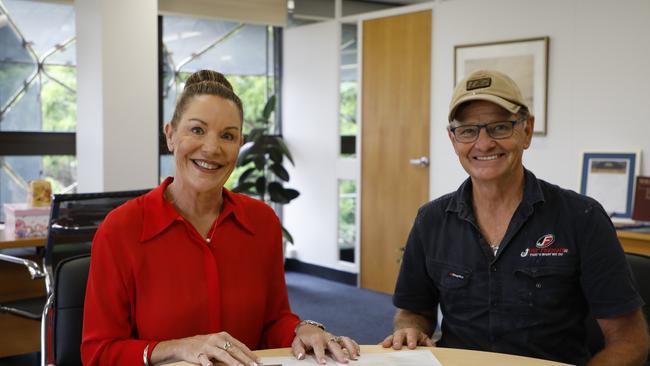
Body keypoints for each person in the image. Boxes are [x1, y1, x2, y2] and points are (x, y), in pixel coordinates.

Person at [81, 70, 360, 366]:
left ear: (239, 145)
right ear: (170, 135)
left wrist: (301, 330)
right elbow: (98, 352)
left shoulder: (261, 221)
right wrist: (179, 347)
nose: (212, 148)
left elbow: (272, 321)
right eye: (197, 130)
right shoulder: (121, 228)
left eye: (227, 136)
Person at [381, 69, 649, 365]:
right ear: (453, 138)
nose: (483, 144)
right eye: (468, 130)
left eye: (499, 127)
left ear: (527, 130)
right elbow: (413, 311)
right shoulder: (431, 220)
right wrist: (410, 329)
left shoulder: (582, 218)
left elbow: (630, 342)